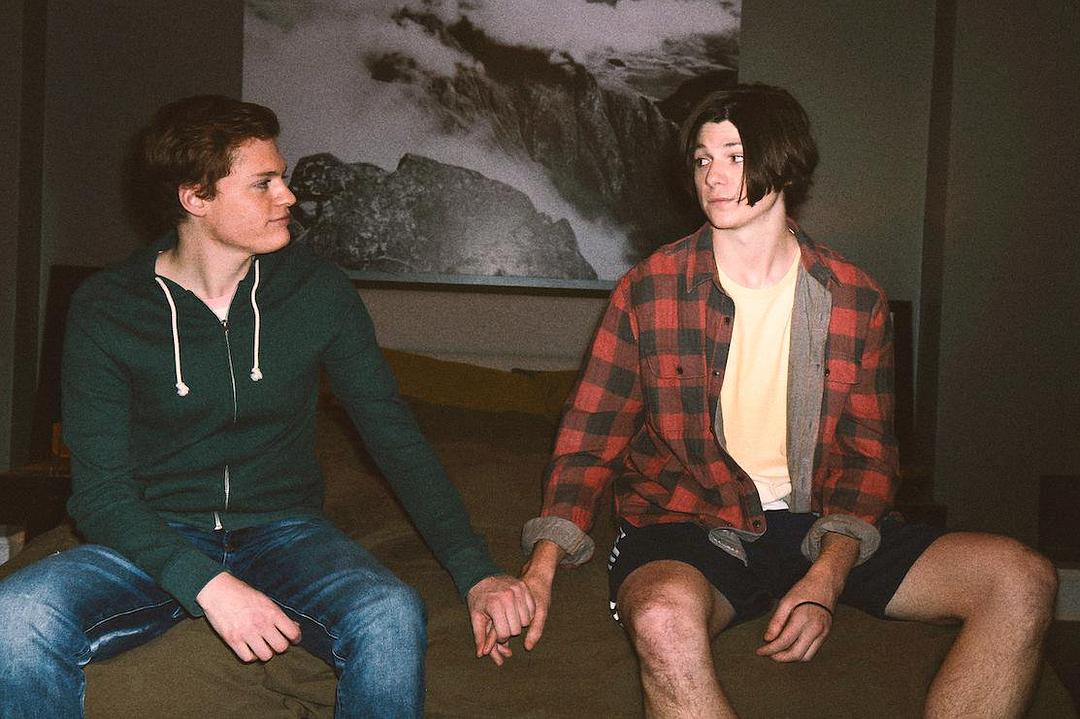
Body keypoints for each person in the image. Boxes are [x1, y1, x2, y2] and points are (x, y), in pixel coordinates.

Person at [518, 83, 1057, 718]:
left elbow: (867, 460)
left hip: (816, 522)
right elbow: (589, 442)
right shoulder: (649, 289)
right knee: (662, 620)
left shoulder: (853, 297)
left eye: (736, 156)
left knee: (1023, 577)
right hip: (690, 523)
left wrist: (826, 577)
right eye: (703, 158)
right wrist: (541, 567)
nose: (714, 176)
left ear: (786, 166)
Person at [0, 95, 533, 718]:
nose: (289, 196)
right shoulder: (107, 308)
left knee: (389, 611)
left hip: (284, 531)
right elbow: (100, 495)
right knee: (17, 614)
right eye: (264, 183)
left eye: (281, 178)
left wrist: (476, 571)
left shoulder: (317, 292)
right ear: (195, 198)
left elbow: (395, 437)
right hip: (154, 529)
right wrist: (209, 585)